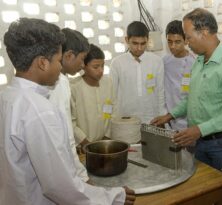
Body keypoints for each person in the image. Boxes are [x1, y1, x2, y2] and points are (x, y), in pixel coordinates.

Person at [0, 18, 135, 205]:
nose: (60, 66)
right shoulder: (39, 110)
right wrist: (113, 197)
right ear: (42, 63)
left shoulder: (6, 97)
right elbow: (60, 187)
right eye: (57, 60)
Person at [151, 8, 222, 170]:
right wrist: (170, 115)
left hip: (220, 144)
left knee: (219, 188)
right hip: (199, 141)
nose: (186, 42)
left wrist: (200, 129)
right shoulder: (199, 62)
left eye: (188, 37)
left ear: (204, 32)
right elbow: (190, 98)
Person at [49, 28, 90, 182]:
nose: (83, 64)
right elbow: (66, 137)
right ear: (68, 55)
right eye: (82, 58)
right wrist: (82, 177)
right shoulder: (59, 82)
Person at [110, 21, 167, 129]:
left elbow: (160, 91)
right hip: (125, 120)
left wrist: (162, 117)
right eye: (135, 43)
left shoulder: (156, 61)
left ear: (148, 40)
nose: (139, 48)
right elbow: (112, 95)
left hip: (151, 119)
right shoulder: (117, 63)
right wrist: (113, 120)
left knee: (151, 146)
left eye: (143, 43)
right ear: (127, 40)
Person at [71, 44, 114, 149]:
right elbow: (71, 120)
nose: (101, 70)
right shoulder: (74, 87)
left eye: (102, 66)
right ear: (84, 66)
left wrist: (107, 136)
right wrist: (84, 141)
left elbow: (112, 110)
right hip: (83, 145)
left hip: (105, 141)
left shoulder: (108, 82)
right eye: (95, 67)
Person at [163, 20, 195, 131]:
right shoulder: (164, 61)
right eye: (169, 41)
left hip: (188, 119)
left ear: (186, 40)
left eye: (177, 42)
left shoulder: (194, 63)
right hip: (168, 118)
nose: (173, 46)